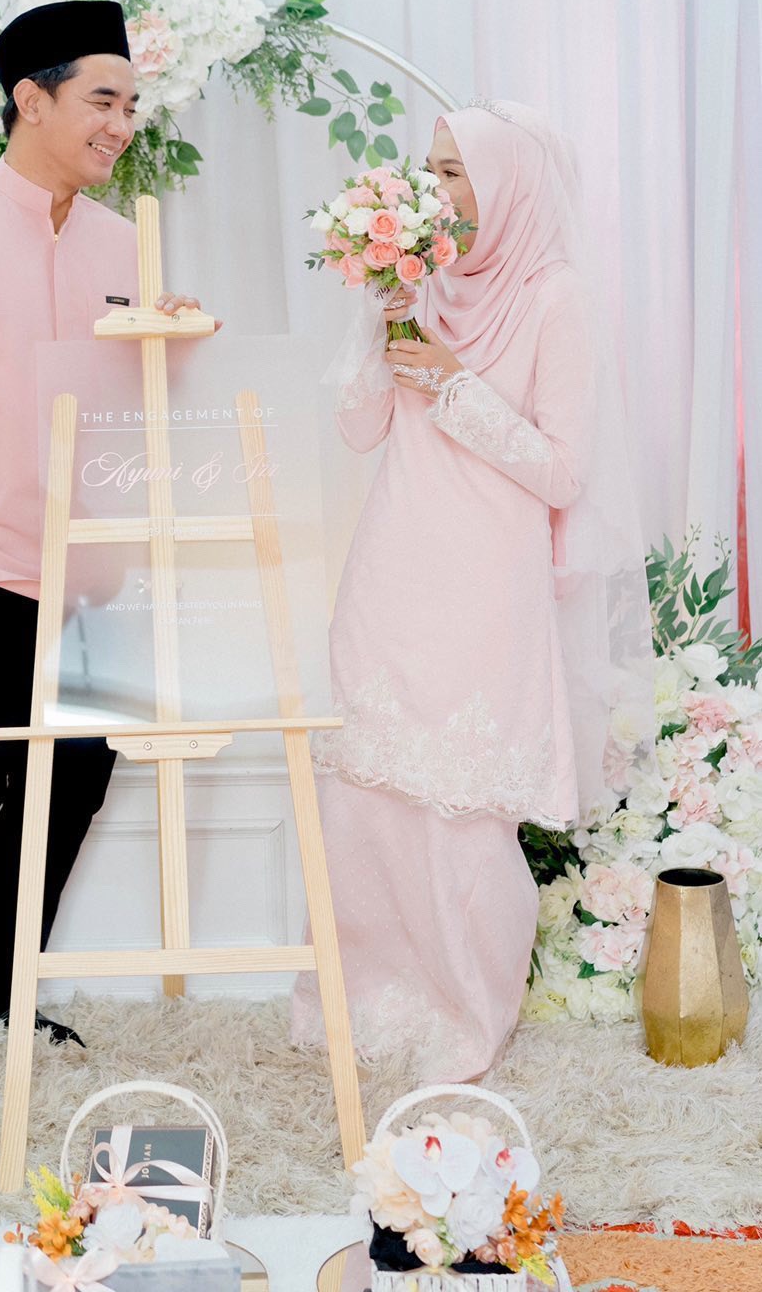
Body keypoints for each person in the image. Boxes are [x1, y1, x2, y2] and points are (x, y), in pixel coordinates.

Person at [0, 0, 209, 1117]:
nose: (122, 124)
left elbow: (132, 412)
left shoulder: (125, 244)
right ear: (31, 99)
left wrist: (174, 345)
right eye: (103, 99)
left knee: (73, 788)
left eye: (132, 104)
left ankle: (3, 991)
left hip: (94, 572)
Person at [292, 98, 651, 1080]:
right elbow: (359, 430)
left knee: (461, 809)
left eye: (455, 171)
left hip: (486, 579)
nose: (436, 188)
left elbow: (563, 471)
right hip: (390, 566)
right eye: (433, 168)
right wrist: (379, 318)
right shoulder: (422, 281)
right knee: (367, 796)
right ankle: (360, 1005)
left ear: (509, 184)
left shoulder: (554, 296)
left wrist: (453, 383)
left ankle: (462, 1018)